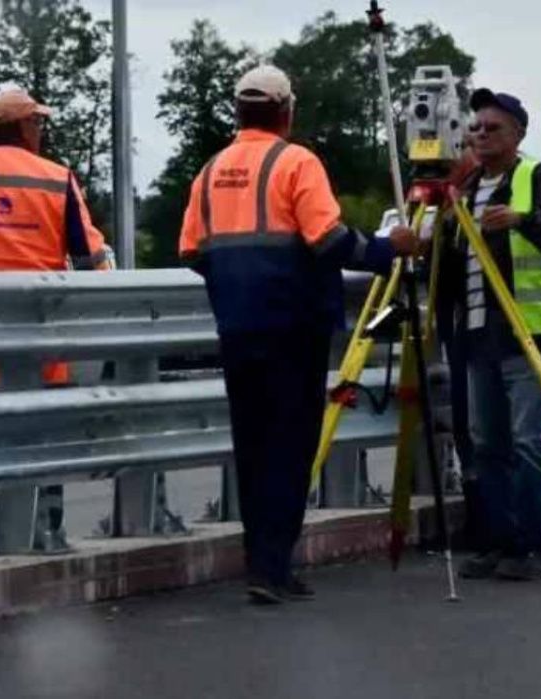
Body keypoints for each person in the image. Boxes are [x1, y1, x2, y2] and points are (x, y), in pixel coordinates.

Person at [179, 65, 419, 604]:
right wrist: (390, 249)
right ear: (287, 111)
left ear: (238, 112)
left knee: (253, 446)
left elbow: (192, 251)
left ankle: (259, 562)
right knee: (289, 447)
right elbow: (331, 242)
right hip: (295, 327)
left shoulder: (210, 169)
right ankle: (272, 568)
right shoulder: (297, 161)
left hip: (238, 328)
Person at [0, 88, 112, 551]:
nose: (42, 132)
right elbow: (89, 257)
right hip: (42, 332)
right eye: (39, 124)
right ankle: (48, 530)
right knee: (43, 433)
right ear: (24, 128)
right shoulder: (56, 178)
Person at [440, 89, 541, 581]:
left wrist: (522, 221)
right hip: (478, 335)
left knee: (527, 444)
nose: (481, 135)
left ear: (518, 134)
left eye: (493, 127)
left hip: (528, 334)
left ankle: (537, 547)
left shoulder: (536, 177)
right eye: (476, 127)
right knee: (487, 444)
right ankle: (498, 542)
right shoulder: (467, 186)